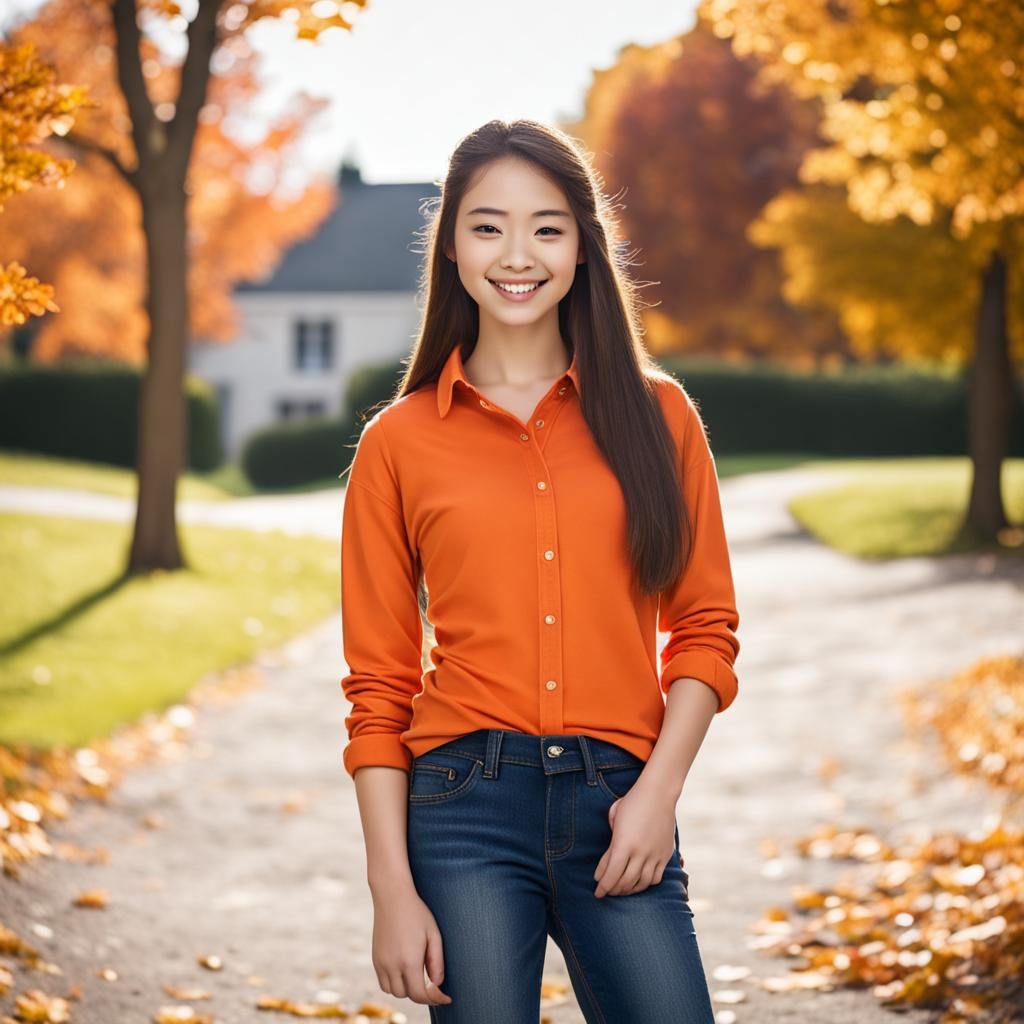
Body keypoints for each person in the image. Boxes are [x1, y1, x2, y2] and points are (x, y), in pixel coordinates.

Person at [339, 118, 740, 1023]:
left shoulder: (661, 416)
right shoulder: (397, 444)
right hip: (462, 809)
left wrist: (658, 796)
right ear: (450, 245)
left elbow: (706, 630)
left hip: (619, 799)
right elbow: (378, 687)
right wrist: (391, 891)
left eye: (547, 228)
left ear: (583, 247)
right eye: (487, 226)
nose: (517, 255)